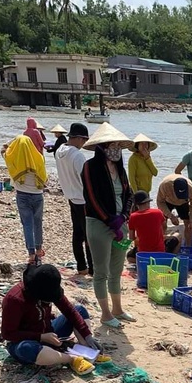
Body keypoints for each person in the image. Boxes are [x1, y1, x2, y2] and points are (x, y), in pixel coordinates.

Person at [1, 263, 103, 376]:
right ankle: (71, 359)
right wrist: (41, 337)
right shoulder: (14, 300)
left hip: (49, 332)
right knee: (26, 349)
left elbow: (70, 311)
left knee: (79, 310)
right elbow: (8, 334)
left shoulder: (50, 289)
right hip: (26, 341)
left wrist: (87, 336)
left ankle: (87, 350)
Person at [82, 122, 135, 328]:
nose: (116, 150)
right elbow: (92, 198)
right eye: (112, 146)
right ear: (102, 148)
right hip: (98, 224)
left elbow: (129, 194)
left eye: (118, 147)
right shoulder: (90, 167)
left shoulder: (120, 169)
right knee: (101, 271)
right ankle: (105, 313)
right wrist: (109, 220)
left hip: (119, 223)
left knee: (117, 269)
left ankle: (117, 309)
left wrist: (124, 216)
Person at [3, 134, 48, 266]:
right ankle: (39, 250)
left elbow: (3, 150)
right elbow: (44, 177)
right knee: (38, 223)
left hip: (22, 195)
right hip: (38, 195)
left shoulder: (13, 160)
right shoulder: (38, 158)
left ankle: (31, 254)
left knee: (27, 224)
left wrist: (11, 144)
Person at [55, 122, 93, 277]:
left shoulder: (59, 151)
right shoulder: (77, 155)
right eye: (83, 140)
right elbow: (87, 179)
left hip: (70, 196)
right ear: (77, 138)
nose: (83, 144)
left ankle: (81, 266)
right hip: (82, 199)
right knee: (89, 235)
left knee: (77, 234)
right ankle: (92, 268)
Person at [128, 189, 179, 254]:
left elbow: (131, 237)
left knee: (129, 256)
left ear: (136, 205)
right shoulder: (158, 212)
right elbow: (164, 227)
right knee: (178, 235)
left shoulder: (132, 217)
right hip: (160, 251)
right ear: (147, 202)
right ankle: (172, 257)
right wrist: (160, 235)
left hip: (143, 252)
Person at [156, 174, 192, 247]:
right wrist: (170, 216)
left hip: (183, 203)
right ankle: (161, 244)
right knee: (161, 222)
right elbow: (159, 202)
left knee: (188, 224)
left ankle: (188, 246)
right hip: (167, 201)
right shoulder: (165, 185)